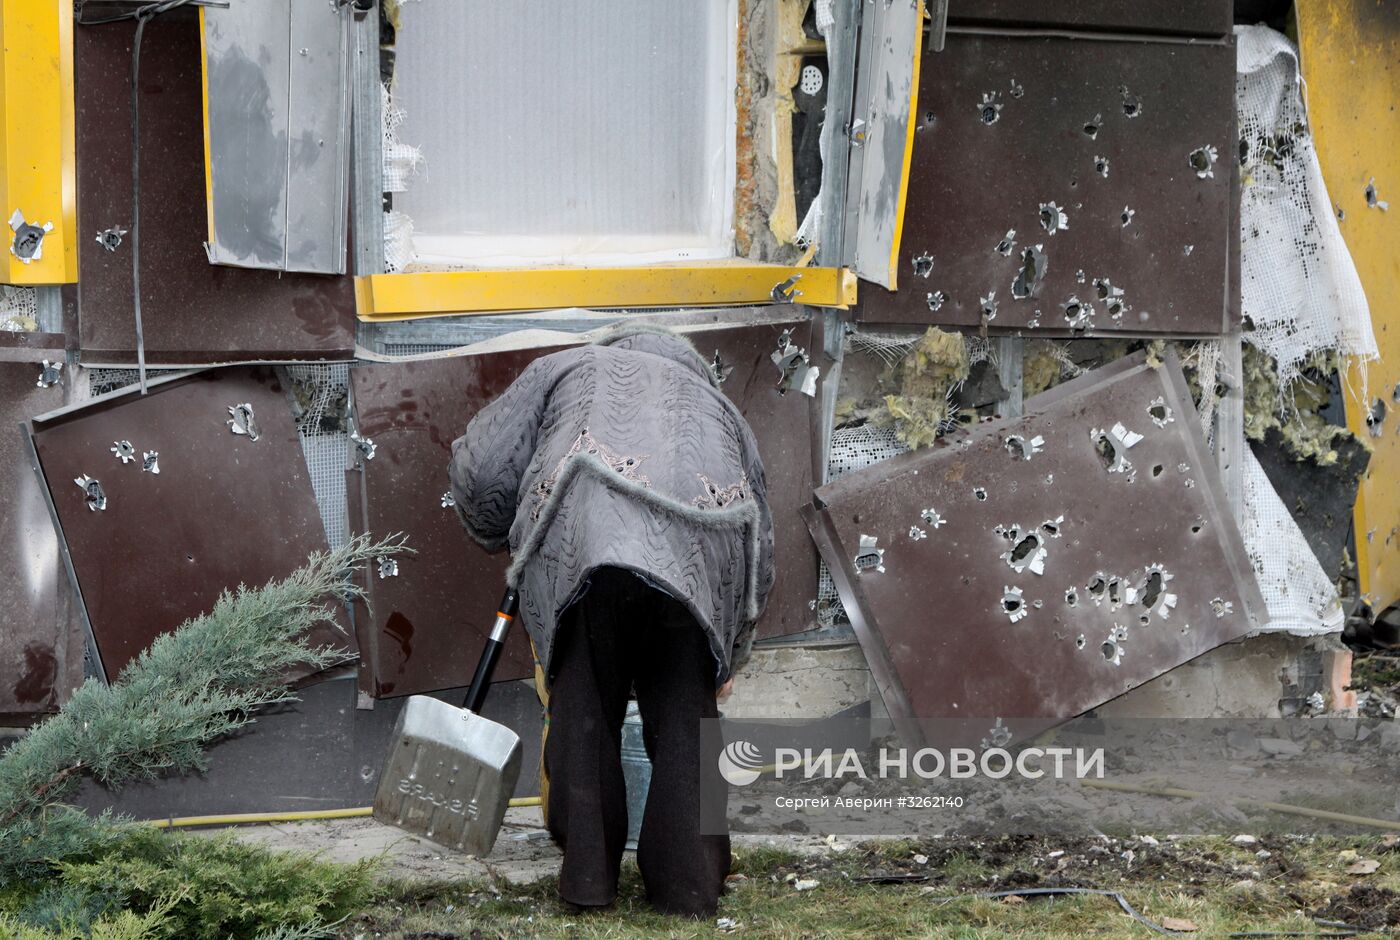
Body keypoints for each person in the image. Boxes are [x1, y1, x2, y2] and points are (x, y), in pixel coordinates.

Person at [448, 324, 775, 916]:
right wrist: (731, 649)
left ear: (614, 344)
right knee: (685, 712)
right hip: (698, 554)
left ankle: (588, 881)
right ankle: (688, 885)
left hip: (585, 543)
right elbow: (760, 540)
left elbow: (485, 466)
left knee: (584, 703)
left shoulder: (566, 366)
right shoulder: (722, 407)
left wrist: (501, 531)